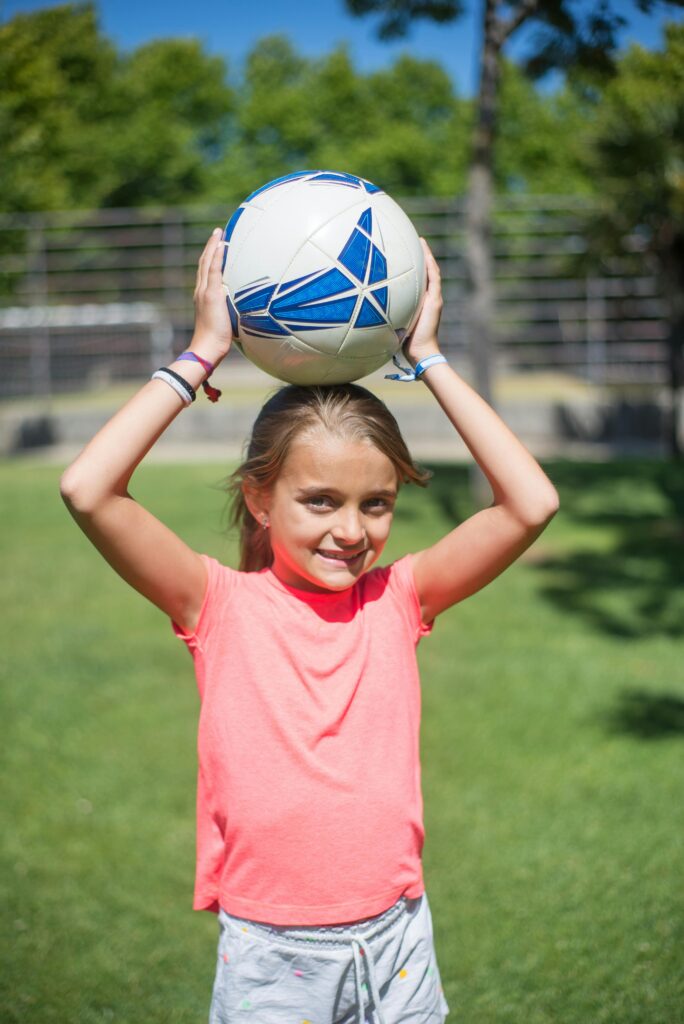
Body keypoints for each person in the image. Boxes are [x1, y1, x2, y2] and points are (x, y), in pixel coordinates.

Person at [60, 227, 559, 1024]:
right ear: (260, 498)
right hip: (271, 952)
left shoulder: (401, 598)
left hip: (397, 940)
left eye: (378, 503)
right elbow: (89, 488)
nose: (351, 531)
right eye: (319, 501)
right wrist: (200, 355)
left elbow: (531, 504)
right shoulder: (213, 604)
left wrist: (427, 358)